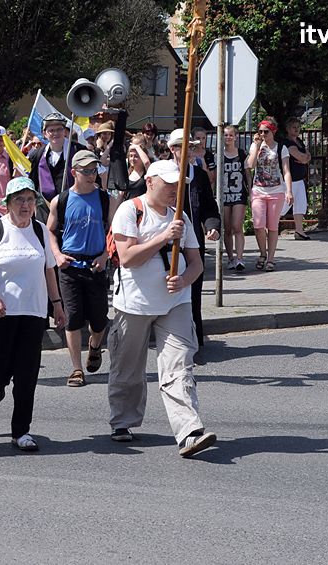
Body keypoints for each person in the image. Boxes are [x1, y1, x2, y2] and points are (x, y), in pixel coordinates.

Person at [107, 159, 216, 458]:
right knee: (128, 368)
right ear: (150, 181)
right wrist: (163, 238)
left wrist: (183, 282)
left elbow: (196, 264)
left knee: (179, 366)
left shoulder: (181, 218)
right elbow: (128, 257)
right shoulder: (131, 210)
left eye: (177, 185)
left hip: (175, 304)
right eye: (168, 184)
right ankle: (123, 421)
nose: (174, 190)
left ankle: (189, 431)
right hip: (134, 303)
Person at [0, 177, 66, 451]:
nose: (25, 205)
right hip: (1, 314)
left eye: (29, 200)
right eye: (19, 200)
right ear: (8, 204)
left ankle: (21, 431)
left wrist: (57, 304)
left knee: (27, 375)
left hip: (33, 313)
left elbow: (49, 269)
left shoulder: (39, 232)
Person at [46, 150, 111, 387]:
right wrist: (57, 255)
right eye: (86, 171)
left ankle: (94, 346)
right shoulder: (60, 200)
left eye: (94, 170)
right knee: (73, 318)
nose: (91, 175)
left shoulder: (105, 199)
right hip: (70, 265)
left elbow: (115, 232)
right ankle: (76, 369)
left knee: (100, 319)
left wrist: (106, 255)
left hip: (96, 265)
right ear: (74, 172)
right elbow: (50, 231)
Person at [167, 128, 221, 354]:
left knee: (193, 291)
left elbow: (209, 206)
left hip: (192, 243)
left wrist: (212, 226)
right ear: (172, 149)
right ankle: (168, 340)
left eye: (191, 146)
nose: (188, 151)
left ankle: (195, 342)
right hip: (166, 243)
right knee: (168, 291)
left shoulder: (198, 175)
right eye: (183, 146)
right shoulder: (162, 172)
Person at [246, 118, 293, 272]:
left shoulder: (281, 148)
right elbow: (250, 165)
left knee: (272, 226)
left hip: (276, 191)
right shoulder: (256, 145)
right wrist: (258, 146)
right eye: (260, 131)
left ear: (273, 131)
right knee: (258, 225)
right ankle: (262, 253)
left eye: (266, 131)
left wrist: (289, 191)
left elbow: (286, 171)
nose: (262, 134)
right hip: (258, 190)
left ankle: (271, 258)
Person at [29, 112, 86, 223]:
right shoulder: (38, 155)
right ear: (44, 133)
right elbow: (33, 183)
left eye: (59, 129)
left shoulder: (78, 150)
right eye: (51, 130)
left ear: (65, 131)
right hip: (45, 211)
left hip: (73, 209)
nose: (55, 133)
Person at [222, 125, 251, 271]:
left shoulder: (241, 154)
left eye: (230, 135)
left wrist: (250, 191)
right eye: (226, 135)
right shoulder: (219, 155)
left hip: (239, 193)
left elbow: (247, 174)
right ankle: (230, 258)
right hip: (225, 195)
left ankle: (240, 258)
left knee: (237, 226)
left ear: (236, 137)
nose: (228, 138)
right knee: (227, 229)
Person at [282, 117, 313, 240]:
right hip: (290, 180)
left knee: (300, 204)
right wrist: (304, 158)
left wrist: (305, 157)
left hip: (300, 179)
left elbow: (307, 156)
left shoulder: (299, 141)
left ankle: (299, 230)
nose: (296, 129)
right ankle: (268, 226)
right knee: (284, 205)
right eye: (294, 127)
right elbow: (301, 157)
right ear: (288, 129)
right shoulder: (287, 143)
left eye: (298, 127)